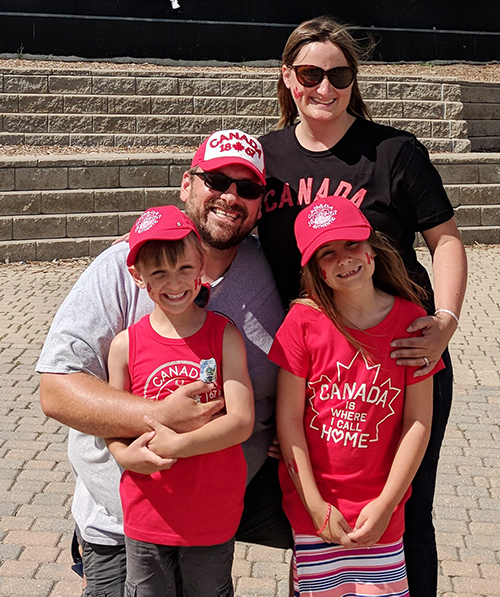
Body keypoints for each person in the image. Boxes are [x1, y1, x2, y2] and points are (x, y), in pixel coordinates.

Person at [258, 16, 467, 596]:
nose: (324, 88)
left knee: (405, 513)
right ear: (286, 77)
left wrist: (445, 323)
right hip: (315, 370)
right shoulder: (266, 157)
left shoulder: (393, 152)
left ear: (354, 81)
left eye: (339, 75)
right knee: (315, 516)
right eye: (309, 74)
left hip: (404, 359)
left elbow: (445, 240)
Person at [36, 129, 292, 597]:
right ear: (186, 184)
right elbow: (54, 390)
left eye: (248, 188)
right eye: (216, 179)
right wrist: (156, 418)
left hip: (218, 510)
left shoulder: (272, 266)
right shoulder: (122, 267)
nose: (231, 197)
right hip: (126, 520)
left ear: (260, 204)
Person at [269, 195, 444, 596]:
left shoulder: (412, 321)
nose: (345, 259)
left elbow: (418, 423)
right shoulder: (302, 322)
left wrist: (387, 505)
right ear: (315, 270)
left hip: (381, 514)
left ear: (372, 248)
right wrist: (314, 505)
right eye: (327, 253)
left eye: (352, 244)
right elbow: (289, 420)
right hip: (316, 514)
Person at [106, 205, 254, 596]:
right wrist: (121, 454)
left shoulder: (224, 336)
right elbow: (112, 420)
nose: (175, 282)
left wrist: (179, 445)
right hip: (146, 510)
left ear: (201, 265)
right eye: (159, 272)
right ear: (139, 278)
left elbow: (241, 421)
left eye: (185, 268)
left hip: (211, 513)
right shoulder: (125, 346)